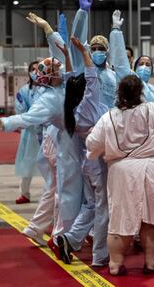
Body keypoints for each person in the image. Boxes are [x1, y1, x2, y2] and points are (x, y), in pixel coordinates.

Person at [86, 74, 154, 276]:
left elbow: (92, 146)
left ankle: (115, 264)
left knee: (120, 219)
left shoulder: (108, 118)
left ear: (119, 93)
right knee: (151, 219)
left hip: (122, 171)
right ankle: (151, 262)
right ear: (141, 92)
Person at [0, 56, 85, 245]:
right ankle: (61, 236)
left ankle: (35, 228)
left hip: (56, 141)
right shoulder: (50, 98)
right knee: (66, 191)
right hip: (61, 144)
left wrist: (61, 46)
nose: (61, 69)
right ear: (50, 76)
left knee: (53, 188)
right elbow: (28, 117)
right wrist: (5, 122)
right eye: (57, 68)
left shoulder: (58, 89)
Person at [55, 37, 109, 267]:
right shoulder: (89, 105)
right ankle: (100, 255)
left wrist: (68, 56)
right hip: (99, 162)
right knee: (104, 208)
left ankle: (69, 238)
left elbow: (69, 80)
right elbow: (91, 75)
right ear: (85, 91)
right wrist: (84, 53)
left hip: (86, 163)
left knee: (90, 205)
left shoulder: (71, 111)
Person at [110, 10, 154, 103]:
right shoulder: (130, 82)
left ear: (151, 70)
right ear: (135, 68)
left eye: (147, 64)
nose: (144, 67)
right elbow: (121, 61)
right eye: (141, 64)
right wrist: (116, 31)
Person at [14, 61, 43, 204]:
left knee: (49, 163)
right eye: (33, 69)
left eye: (39, 69)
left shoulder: (49, 89)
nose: (35, 72)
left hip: (46, 132)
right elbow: (20, 109)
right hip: (30, 133)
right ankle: (24, 193)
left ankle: (51, 192)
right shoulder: (24, 91)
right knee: (27, 163)